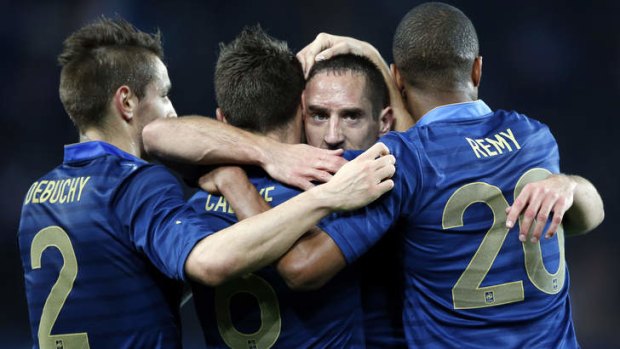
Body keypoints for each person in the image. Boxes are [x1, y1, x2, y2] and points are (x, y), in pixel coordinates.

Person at [17, 17, 396, 349]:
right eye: (165, 95)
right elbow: (212, 262)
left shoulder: (38, 196)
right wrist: (324, 192)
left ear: (221, 118)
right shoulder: (140, 186)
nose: (172, 112)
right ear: (127, 103)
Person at [297, 3, 604, 348]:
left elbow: (302, 269)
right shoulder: (534, 137)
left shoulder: (402, 160)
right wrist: (570, 183)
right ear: (477, 69)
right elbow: (586, 219)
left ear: (398, 78)